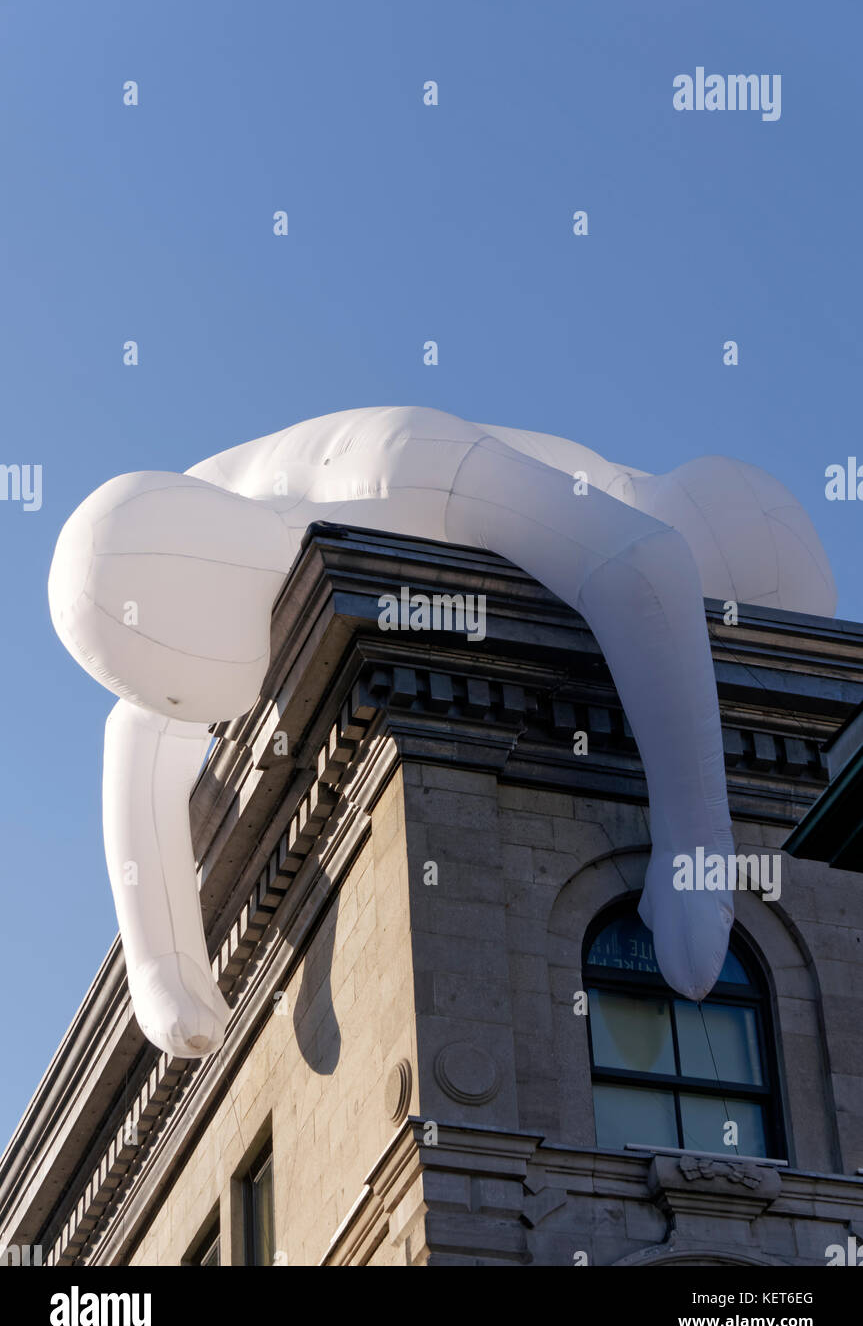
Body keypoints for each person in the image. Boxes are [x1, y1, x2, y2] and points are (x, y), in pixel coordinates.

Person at [48, 406, 836, 1058]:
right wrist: (161, 970)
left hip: (671, 524)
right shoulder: (158, 546)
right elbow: (139, 729)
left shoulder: (392, 467)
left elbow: (646, 567)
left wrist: (693, 845)